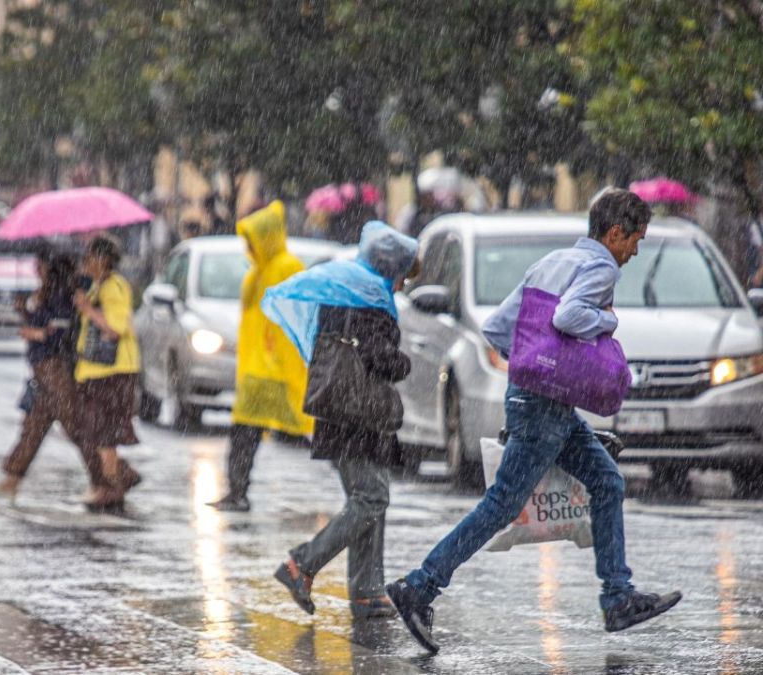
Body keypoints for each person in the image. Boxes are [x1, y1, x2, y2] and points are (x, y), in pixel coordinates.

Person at [386, 188, 682, 654]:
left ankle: (618, 596)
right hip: (545, 408)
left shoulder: (551, 262)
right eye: (635, 240)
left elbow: (500, 329)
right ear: (614, 232)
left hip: (540, 401)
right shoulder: (600, 267)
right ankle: (420, 587)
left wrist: (535, 367)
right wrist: (606, 324)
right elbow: (569, 317)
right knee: (502, 505)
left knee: (606, 482)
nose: (634, 252)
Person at [264, 221, 419, 641]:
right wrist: (404, 363)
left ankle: (367, 592)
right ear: (391, 268)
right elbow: (379, 357)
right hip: (358, 412)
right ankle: (303, 564)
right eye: (403, 274)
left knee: (369, 498)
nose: (403, 283)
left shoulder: (343, 289)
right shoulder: (371, 299)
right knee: (372, 496)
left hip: (343, 410)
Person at [207, 201, 315, 512]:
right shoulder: (258, 271)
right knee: (245, 432)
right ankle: (237, 491)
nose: (249, 247)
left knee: (308, 428)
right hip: (257, 371)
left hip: (275, 369)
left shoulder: (285, 267)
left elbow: (289, 317)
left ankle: (355, 482)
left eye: (254, 240)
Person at [0, 250, 115, 498]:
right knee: (37, 421)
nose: (36, 269)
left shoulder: (63, 291)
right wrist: (25, 312)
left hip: (53, 365)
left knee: (72, 422)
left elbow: (61, 327)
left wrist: (37, 333)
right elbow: (44, 321)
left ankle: (111, 475)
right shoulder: (48, 292)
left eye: (40, 265)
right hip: (43, 365)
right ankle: (13, 477)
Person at [73, 236, 143, 510]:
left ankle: (112, 487)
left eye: (89, 257)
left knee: (103, 433)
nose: (85, 263)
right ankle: (115, 482)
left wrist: (88, 309)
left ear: (102, 260)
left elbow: (115, 329)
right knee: (97, 432)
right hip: (98, 372)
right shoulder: (99, 286)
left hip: (112, 372)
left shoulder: (113, 287)